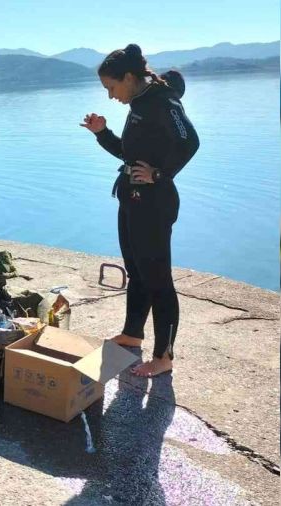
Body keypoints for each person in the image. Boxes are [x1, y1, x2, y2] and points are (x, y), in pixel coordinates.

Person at [81, 44, 199, 378]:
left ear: (129, 77)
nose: (110, 95)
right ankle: (133, 333)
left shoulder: (162, 101)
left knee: (158, 278)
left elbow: (190, 142)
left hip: (155, 203)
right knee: (137, 271)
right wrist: (102, 133)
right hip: (131, 198)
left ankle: (164, 356)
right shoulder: (139, 103)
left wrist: (160, 174)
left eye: (111, 87)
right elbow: (129, 154)